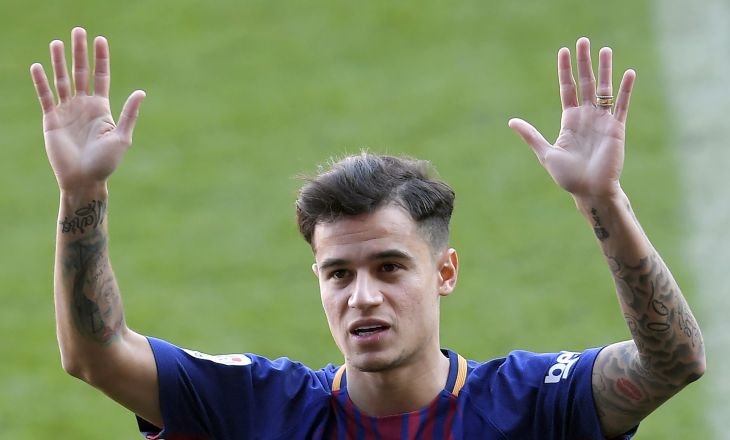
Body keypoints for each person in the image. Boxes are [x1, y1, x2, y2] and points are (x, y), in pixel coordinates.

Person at [31, 27, 704, 439]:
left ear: (444, 272)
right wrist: (83, 192)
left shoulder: (532, 404)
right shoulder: (256, 407)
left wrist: (602, 200)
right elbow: (97, 356)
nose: (362, 296)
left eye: (390, 267)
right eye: (339, 273)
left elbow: (672, 364)